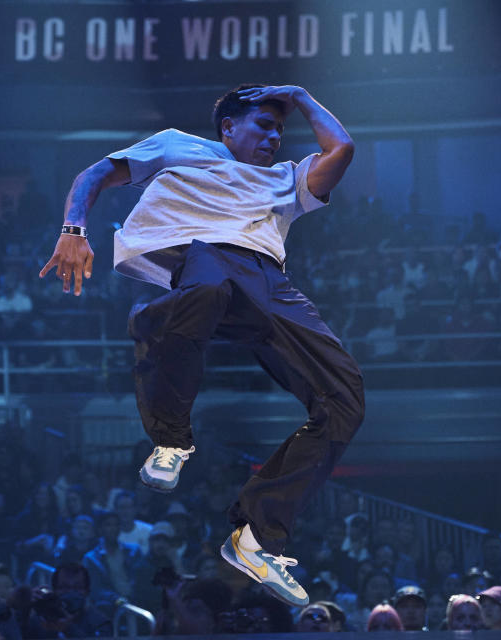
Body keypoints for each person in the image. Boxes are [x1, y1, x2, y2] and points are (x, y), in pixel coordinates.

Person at [39, 83, 363, 608]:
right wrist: (73, 227)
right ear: (228, 127)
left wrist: (300, 96)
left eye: (281, 129)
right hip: (197, 259)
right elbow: (95, 173)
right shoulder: (175, 145)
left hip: (265, 282)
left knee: (346, 398)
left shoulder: (286, 179)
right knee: (206, 285)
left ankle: (256, 537)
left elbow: (341, 149)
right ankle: (171, 440)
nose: (275, 137)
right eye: (263, 124)